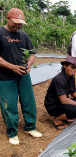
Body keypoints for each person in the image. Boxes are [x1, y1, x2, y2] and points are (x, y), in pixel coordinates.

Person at [0, 8, 42, 145]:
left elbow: (32, 53)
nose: (18, 25)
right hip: (5, 77)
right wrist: (12, 67)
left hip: (23, 75)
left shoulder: (24, 36)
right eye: (15, 22)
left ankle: (30, 127)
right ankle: (12, 132)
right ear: (8, 18)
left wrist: (29, 64)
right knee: (9, 105)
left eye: (20, 23)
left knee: (28, 101)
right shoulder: (0, 33)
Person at [44, 56, 76, 129]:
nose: (74, 70)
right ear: (65, 66)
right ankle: (58, 119)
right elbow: (63, 100)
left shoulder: (71, 76)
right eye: (72, 67)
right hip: (53, 105)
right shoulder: (59, 79)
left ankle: (67, 116)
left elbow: (73, 93)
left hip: (61, 102)